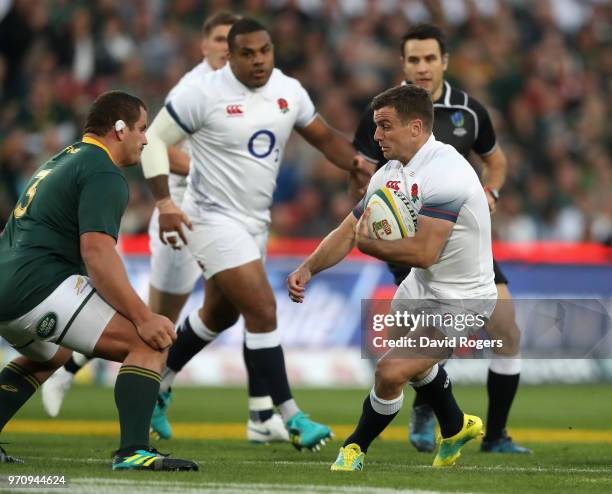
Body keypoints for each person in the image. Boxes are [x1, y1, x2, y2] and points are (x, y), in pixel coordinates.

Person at [38, 10, 290, 445]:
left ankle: (259, 411)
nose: (229, 47)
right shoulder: (194, 89)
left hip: (229, 218)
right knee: (158, 323)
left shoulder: (254, 91)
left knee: (240, 307)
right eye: (220, 40)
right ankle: (74, 368)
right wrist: (212, 170)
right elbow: (153, 142)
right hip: (181, 216)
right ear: (209, 47)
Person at [140, 17, 371, 451]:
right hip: (209, 218)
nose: (258, 60)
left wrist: (359, 165)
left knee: (220, 314)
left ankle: (156, 382)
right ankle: (290, 415)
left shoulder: (288, 90)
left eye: (264, 51)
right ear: (231, 55)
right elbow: (151, 140)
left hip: (254, 223)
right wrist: (164, 203)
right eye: (247, 53)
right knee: (263, 307)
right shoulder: (202, 93)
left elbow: (325, 139)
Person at [288, 84, 496, 469]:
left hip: (463, 299)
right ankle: (455, 425)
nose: (376, 136)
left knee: (390, 371)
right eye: (376, 127)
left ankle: (354, 448)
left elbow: (425, 252)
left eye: (385, 126)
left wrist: (373, 247)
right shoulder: (390, 173)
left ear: (416, 127)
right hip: (418, 289)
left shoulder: (446, 172)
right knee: (413, 369)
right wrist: (308, 267)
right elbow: (350, 229)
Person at [351, 23, 529, 454]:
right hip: (412, 244)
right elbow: (362, 171)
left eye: (430, 58)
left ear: (444, 62)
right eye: (414, 59)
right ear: (403, 63)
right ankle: (428, 409)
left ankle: (495, 435)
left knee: (506, 331)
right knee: (424, 341)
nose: (422, 67)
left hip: (465, 244)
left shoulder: (468, 112)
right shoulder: (383, 113)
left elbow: (497, 160)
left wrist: (492, 191)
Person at [0, 91, 197, 471]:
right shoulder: (104, 171)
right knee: (149, 342)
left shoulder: (64, 158)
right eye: (141, 129)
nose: (145, 139)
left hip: (8, 284)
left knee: (49, 353)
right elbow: (97, 254)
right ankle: (134, 452)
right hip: (38, 285)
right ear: (119, 129)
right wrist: (143, 317)